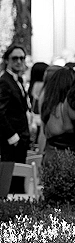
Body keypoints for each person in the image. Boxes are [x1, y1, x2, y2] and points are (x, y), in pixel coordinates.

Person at [0, 44, 31, 178]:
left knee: (18, 180)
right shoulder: (5, 82)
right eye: (15, 58)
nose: (19, 61)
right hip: (12, 141)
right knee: (12, 181)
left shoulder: (16, 80)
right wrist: (12, 136)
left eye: (22, 58)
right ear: (7, 60)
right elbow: (0, 112)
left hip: (20, 138)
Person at [39, 66, 75, 159]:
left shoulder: (48, 106)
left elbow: (43, 132)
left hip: (49, 154)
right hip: (65, 157)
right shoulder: (68, 108)